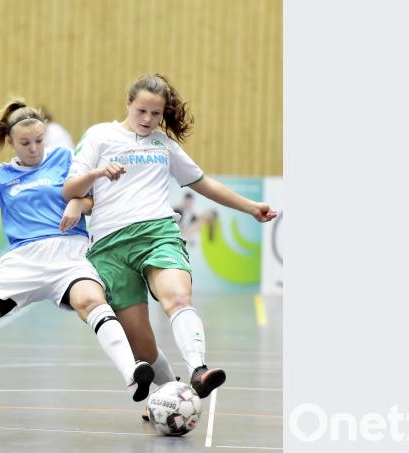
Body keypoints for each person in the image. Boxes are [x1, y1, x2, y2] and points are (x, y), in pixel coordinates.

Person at [0, 99, 154, 416]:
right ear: (11, 142)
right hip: (22, 262)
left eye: (39, 141)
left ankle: (132, 375)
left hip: (68, 254)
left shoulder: (64, 159)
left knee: (93, 303)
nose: (33, 148)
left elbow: (92, 199)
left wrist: (78, 204)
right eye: (25, 143)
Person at [62, 74, 277, 416]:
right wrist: (98, 175)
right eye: (142, 111)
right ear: (127, 104)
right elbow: (70, 188)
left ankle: (199, 370)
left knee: (177, 297)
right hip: (109, 246)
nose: (148, 120)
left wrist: (250, 208)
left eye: (156, 114)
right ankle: (166, 397)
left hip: (157, 232)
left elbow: (202, 183)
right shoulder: (100, 136)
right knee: (142, 346)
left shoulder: (165, 145)